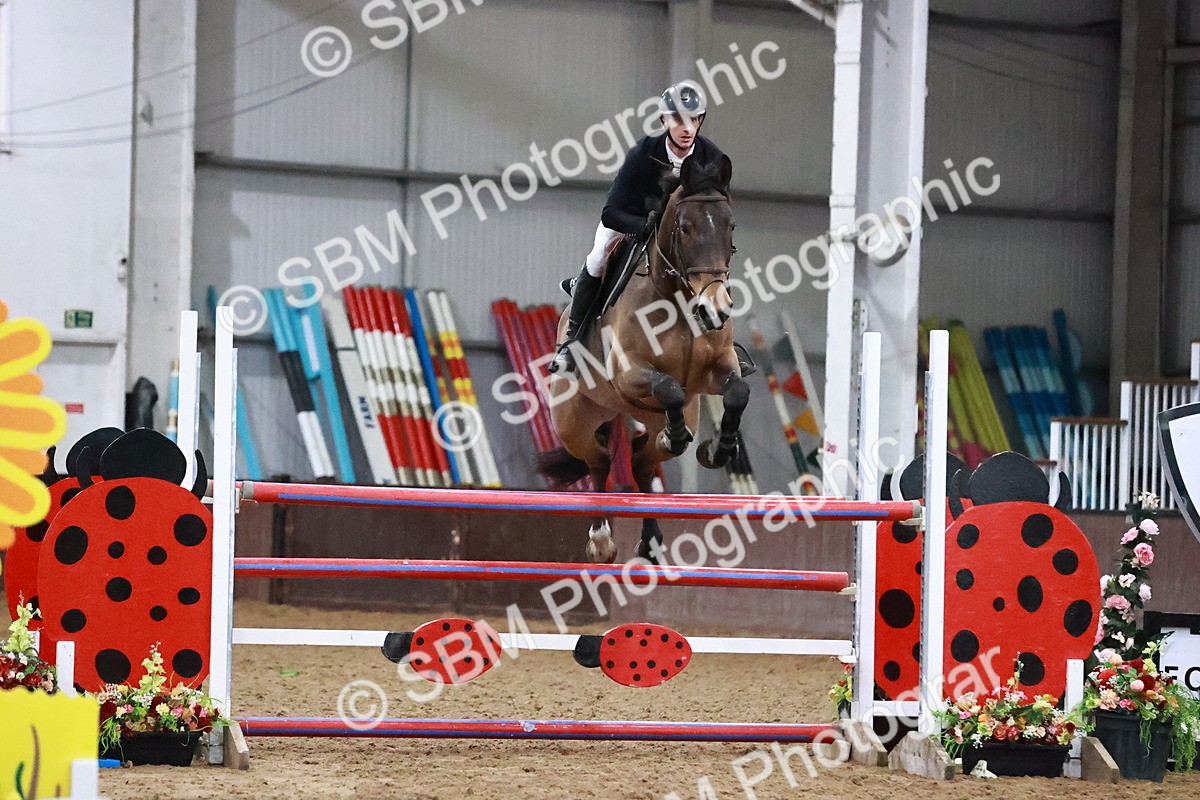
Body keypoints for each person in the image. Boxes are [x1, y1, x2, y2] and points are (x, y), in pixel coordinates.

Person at [549, 81, 726, 378]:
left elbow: (717, 205)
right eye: (678, 119)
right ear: (663, 121)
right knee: (597, 257)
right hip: (632, 222)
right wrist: (644, 227)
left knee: (711, 264)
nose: (687, 128)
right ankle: (572, 343)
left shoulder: (711, 157)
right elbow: (610, 213)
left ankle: (722, 345)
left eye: (694, 120)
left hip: (684, 232)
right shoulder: (643, 153)